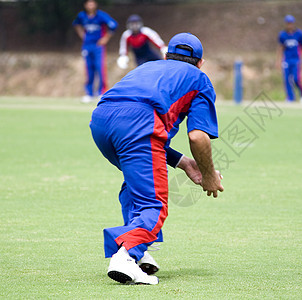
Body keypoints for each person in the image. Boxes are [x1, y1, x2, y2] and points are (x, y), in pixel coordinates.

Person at [90, 32, 224, 285]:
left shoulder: (149, 66)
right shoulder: (199, 78)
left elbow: (131, 120)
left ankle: (139, 252)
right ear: (200, 62)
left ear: (165, 56)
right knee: (154, 205)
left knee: (136, 186)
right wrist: (208, 176)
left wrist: (184, 163)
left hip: (100, 120)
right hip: (139, 125)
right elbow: (198, 137)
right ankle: (126, 254)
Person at [73, 0, 117, 103]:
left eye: (92, 3)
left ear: (95, 5)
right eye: (89, 3)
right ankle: (89, 94)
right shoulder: (82, 16)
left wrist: (105, 38)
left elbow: (113, 25)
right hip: (87, 46)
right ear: (85, 5)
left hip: (98, 46)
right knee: (89, 69)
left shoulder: (101, 16)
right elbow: (76, 24)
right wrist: (82, 36)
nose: (90, 5)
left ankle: (101, 92)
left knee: (100, 68)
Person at [277, 15, 302, 104]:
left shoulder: (299, 34)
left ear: (293, 23)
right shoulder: (282, 35)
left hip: (296, 60)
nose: (289, 25)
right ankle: (290, 98)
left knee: (296, 78)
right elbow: (280, 48)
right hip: (287, 60)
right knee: (286, 79)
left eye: (291, 23)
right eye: (288, 23)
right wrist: (278, 61)